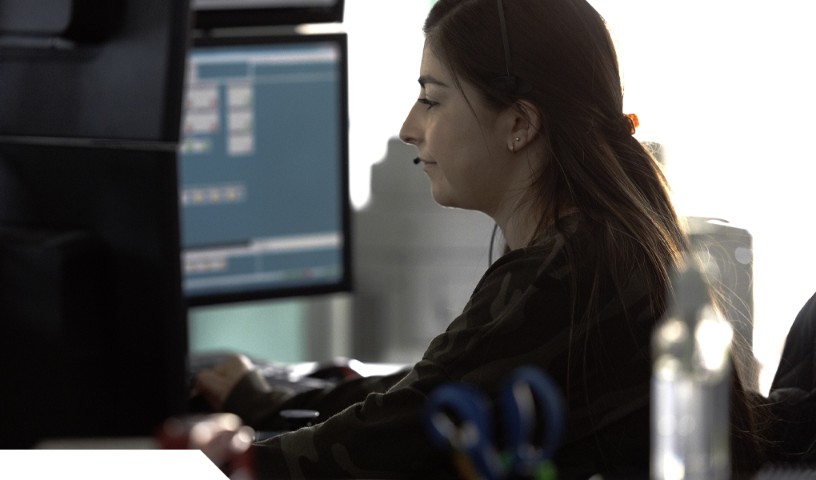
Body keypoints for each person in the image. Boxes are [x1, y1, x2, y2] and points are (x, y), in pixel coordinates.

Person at [195, 0, 768, 477]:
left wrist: (219, 460)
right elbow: (437, 384)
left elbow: (385, 441)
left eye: (433, 97)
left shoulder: (561, 275)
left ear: (519, 123)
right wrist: (264, 401)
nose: (408, 127)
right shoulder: (600, 240)